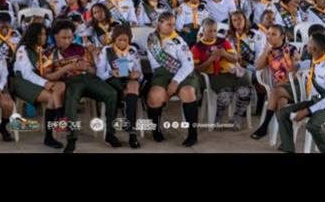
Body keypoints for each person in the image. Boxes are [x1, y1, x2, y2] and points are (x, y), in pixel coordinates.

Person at [47, 19, 121, 153]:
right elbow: (48, 77)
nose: (67, 41)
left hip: (88, 78)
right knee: (71, 98)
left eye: (70, 37)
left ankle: (110, 134)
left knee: (112, 94)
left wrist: (86, 68)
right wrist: (66, 69)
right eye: (63, 37)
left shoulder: (81, 49)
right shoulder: (50, 53)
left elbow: (94, 70)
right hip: (70, 81)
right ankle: (72, 140)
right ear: (55, 36)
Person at [275, 32, 325, 154]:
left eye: (309, 42)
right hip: (316, 99)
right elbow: (306, 64)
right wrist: (298, 65)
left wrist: (307, 110)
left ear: (315, 48)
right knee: (282, 113)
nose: (306, 45)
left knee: (312, 125)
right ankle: (288, 148)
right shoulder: (315, 59)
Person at [145, 12, 201, 147]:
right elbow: (131, 44)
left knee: (188, 92)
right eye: (168, 24)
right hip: (161, 75)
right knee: (155, 96)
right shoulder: (151, 38)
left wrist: (175, 82)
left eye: (174, 25)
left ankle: (192, 134)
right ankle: (156, 130)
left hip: (182, 74)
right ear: (160, 23)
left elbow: (188, 65)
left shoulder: (179, 41)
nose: (172, 27)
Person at [11, 22, 67, 149]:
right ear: (33, 35)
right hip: (22, 83)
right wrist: (45, 83)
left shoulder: (41, 50)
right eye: (41, 34)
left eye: (45, 34)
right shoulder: (23, 50)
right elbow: (26, 74)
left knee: (60, 87)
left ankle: (57, 121)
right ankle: (51, 132)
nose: (44, 37)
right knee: (52, 97)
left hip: (38, 80)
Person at [192, 18, 250, 130]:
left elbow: (235, 59)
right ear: (203, 31)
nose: (213, 33)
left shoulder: (223, 42)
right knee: (227, 90)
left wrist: (224, 54)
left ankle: (237, 117)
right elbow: (196, 70)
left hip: (230, 73)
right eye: (209, 31)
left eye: (214, 30)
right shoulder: (197, 47)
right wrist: (210, 60)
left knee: (247, 87)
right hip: (212, 76)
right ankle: (218, 118)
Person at [95, 24, 143, 148]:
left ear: (129, 39)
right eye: (119, 40)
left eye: (125, 40)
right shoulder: (107, 50)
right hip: (112, 80)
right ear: (114, 39)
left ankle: (132, 132)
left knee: (133, 86)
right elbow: (99, 74)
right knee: (124, 92)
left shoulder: (132, 50)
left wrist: (137, 74)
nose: (122, 43)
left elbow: (139, 72)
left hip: (128, 79)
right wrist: (111, 72)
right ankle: (120, 131)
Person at [250, 24, 300, 140]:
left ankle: (264, 126)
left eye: (273, 34)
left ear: (282, 36)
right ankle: (286, 139)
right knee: (281, 102)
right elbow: (257, 67)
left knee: (276, 92)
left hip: (295, 85)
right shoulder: (270, 51)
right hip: (280, 89)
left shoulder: (291, 49)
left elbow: (296, 72)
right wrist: (266, 50)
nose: (269, 37)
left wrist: (283, 82)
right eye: (268, 33)